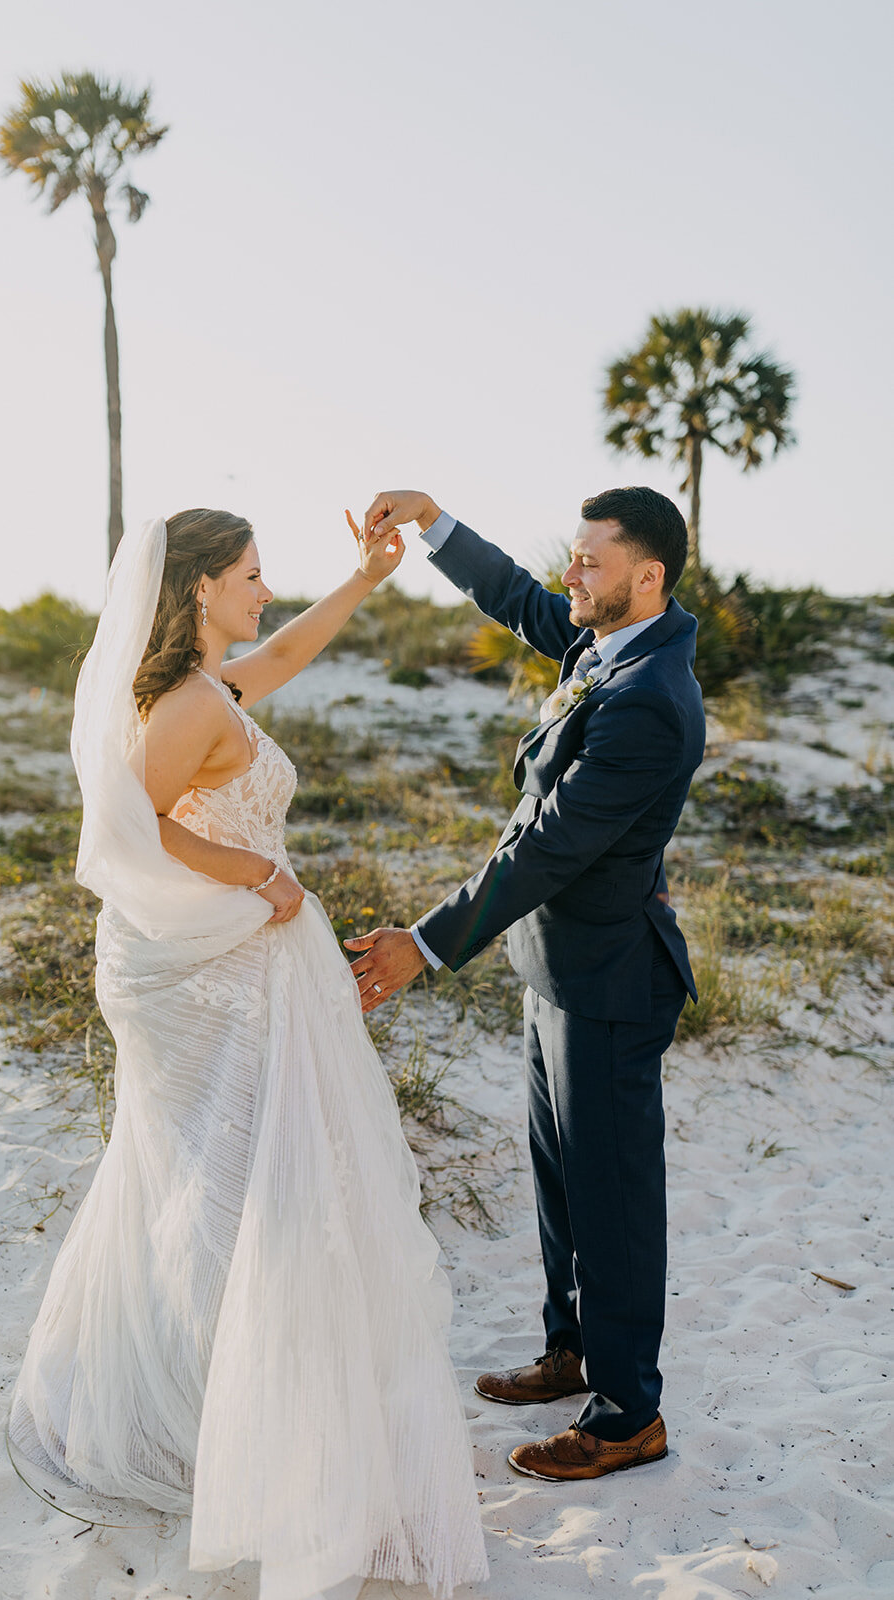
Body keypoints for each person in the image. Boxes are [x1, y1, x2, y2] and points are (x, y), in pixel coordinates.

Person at [7, 508, 488, 1600]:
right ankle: (229, 1431)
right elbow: (123, 820)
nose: (263, 591)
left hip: (243, 966)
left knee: (238, 1193)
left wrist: (365, 578)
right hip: (209, 970)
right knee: (240, 1199)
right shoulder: (181, 703)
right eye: (251, 575)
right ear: (198, 590)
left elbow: (281, 653)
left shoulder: (214, 687)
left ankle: (231, 1418)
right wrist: (257, 877)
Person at [346, 487, 705, 1482]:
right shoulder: (608, 640)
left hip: (609, 979)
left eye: (589, 561)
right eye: (573, 555)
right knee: (559, 1181)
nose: (569, 575)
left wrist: (421, 943)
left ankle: (628, 1409)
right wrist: (434, 525)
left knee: (612, 1195)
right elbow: (519, 599)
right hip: (552, 966)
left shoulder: (649, 700)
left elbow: (547, 848)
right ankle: (569, 1350)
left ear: (647, 576)